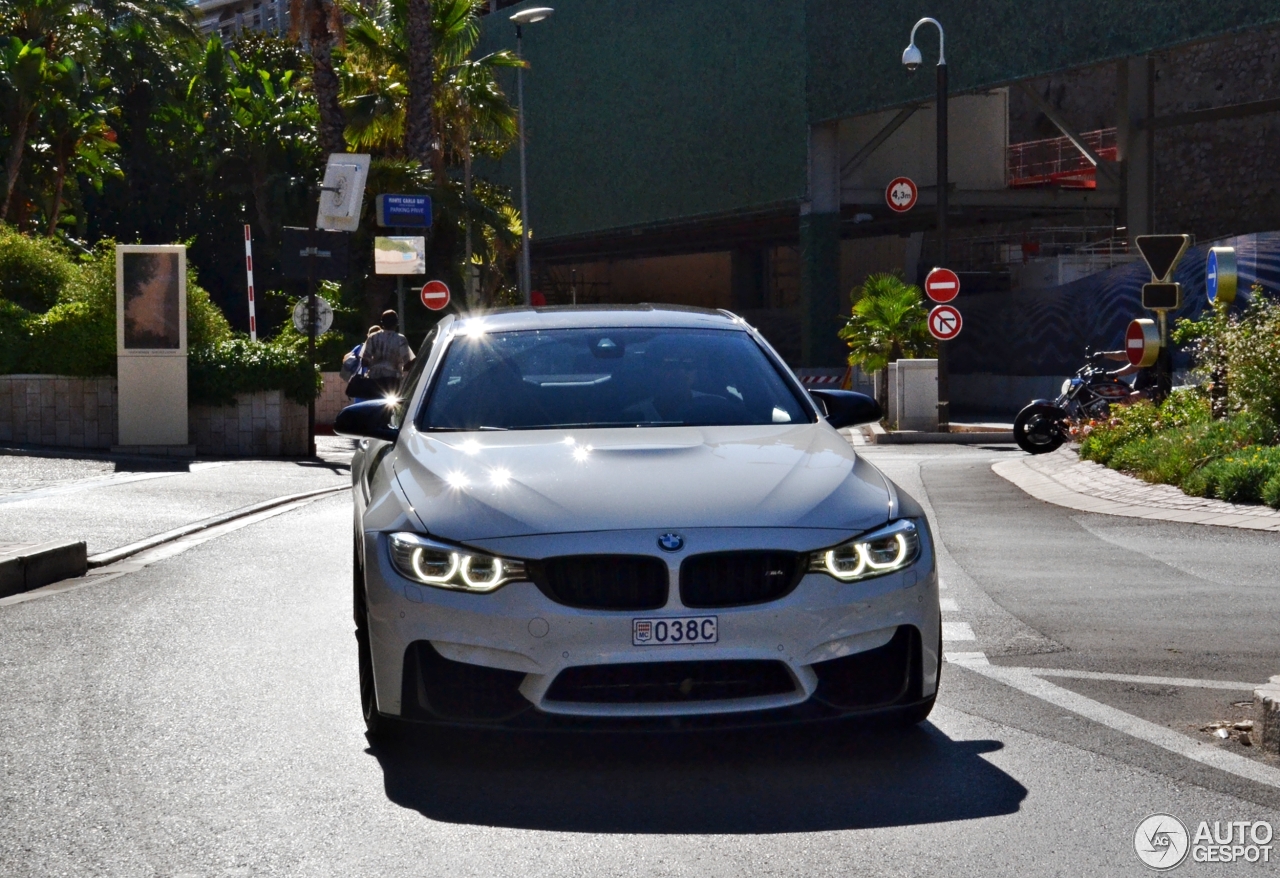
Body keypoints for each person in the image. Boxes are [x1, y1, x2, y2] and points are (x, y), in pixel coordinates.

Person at [360, 310, 414, 395]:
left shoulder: (372, 338)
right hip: (393, 379)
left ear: (382, 323)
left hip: (374, 379)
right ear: (396, 323)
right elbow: (408, 363)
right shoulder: (400, 339)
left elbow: (364, 362)